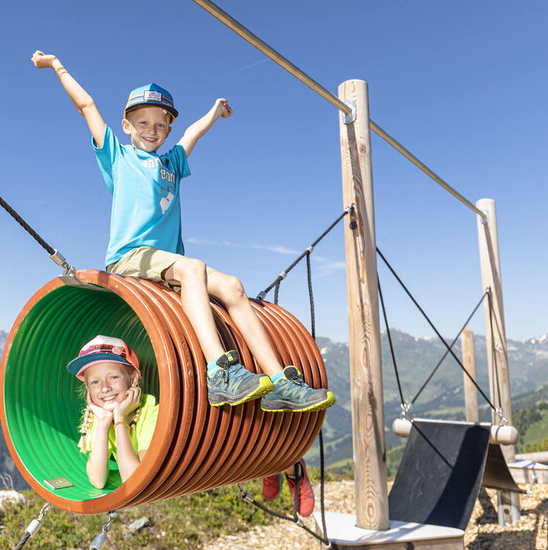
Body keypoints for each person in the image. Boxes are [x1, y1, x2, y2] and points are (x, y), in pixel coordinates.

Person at [33, 50, 335, 414]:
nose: (151, 130)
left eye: (160, 125)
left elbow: (193, 133)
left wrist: (216, 112)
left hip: (167, 264)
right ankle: (220, 372)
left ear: (167, 130)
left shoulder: (172, 163)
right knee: (193, 267)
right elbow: (87, 105)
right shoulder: (118, 156)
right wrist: (56, 66)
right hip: (129, 258)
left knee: (233, 286)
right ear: (126, 126)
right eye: (142, 123)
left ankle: (281, 382)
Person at [68, 335, 158, 489]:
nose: (105, 388)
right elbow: (98, 480)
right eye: (95, 382)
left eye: (113, 377)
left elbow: (134, 481)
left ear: (133, 379)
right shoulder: (99, 416)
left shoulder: (151, 412)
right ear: (88, 389)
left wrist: (120, 418)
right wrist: (103, 423)